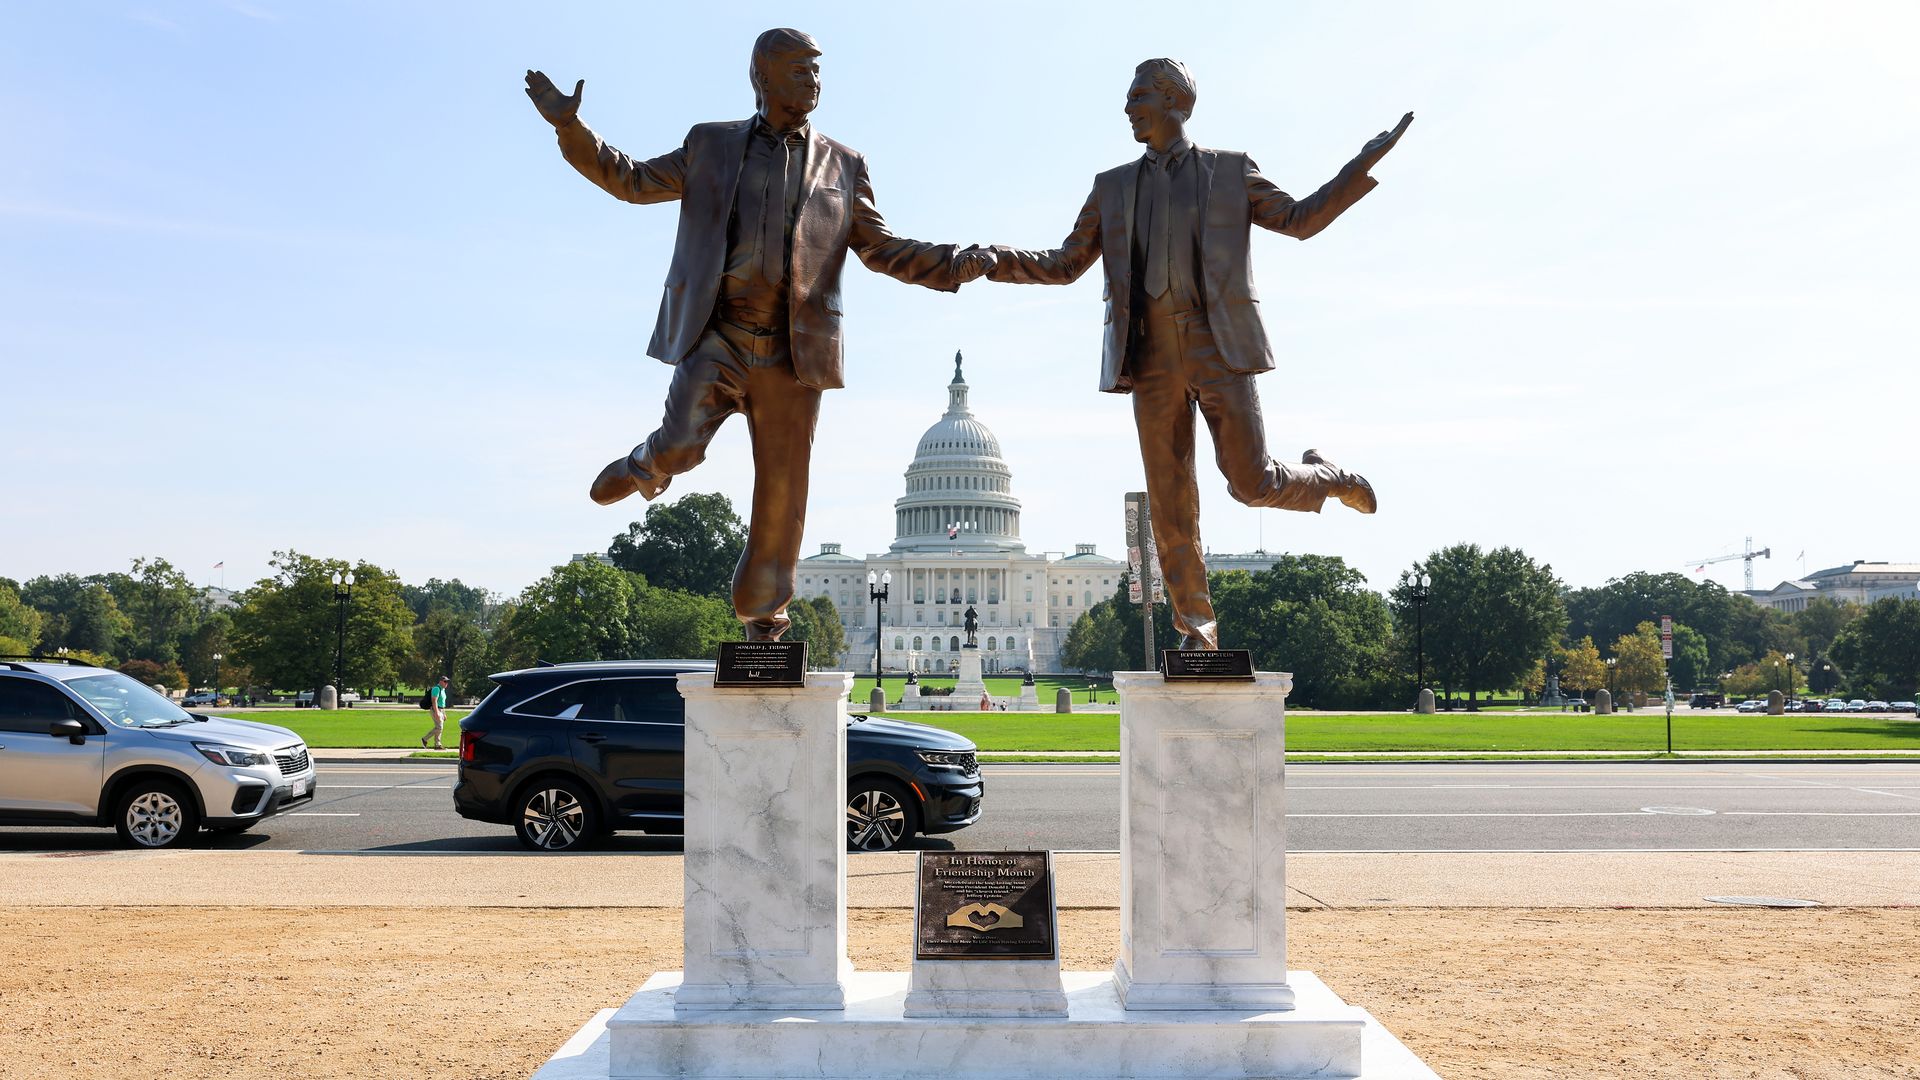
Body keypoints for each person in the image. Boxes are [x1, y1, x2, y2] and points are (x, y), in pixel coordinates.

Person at [525, 29, 990, 641]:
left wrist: (954, 262)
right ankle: (649, 464)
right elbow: (631, 180)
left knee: (782, 487)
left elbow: (882, 249)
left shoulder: (844, 165)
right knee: (683, 444)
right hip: (718, 334)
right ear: (762, 76)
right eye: (800, 70)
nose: (814, 81)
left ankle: (763, 613)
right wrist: (571, 129)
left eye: (818, 71)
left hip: (792, 353)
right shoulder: (711, 145)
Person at [975, 59, 1411, 650]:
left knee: (1250, 483)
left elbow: (1300, 220)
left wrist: (1357, 167)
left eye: (1139, 97)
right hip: (1149, 354)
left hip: (1218, 345)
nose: (1129, 109)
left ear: (1176, 100)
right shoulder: (1112, 186)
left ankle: (1330, 477)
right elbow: (1063, 264)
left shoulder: (1229, 171)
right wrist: (990, 259)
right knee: (1169, 501)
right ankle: (1197, 625)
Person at [420, 676, 449, 751]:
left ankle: (437, 745)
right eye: (445, 681)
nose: (446, 683)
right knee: (439, 727)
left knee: (439, 727)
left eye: (447, 682)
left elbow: (442, 703)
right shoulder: (436, 689)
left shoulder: (443, 690)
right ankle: (425, 739)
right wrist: (436, 712)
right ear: (440, 681)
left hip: (441, 709)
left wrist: (444, 713)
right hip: (435, 709)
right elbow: (434, 701)